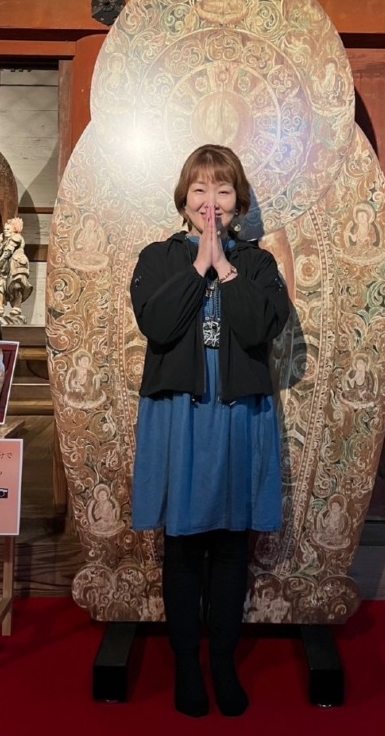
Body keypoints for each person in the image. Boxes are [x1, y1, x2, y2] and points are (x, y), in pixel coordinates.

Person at [130, 144, 289, 718]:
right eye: (200, 190)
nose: (211, 202)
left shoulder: (260, 265)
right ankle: (186, 665)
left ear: (238, 200)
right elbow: (157, 323)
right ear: (184, 199)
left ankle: (223, 661)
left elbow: (257, 330)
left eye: (222, 191)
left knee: (229, 548)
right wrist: (200, 264)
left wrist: (226, 266)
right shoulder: (157, 257)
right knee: (182, 546)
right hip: (180, 415)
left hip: (238, 414)